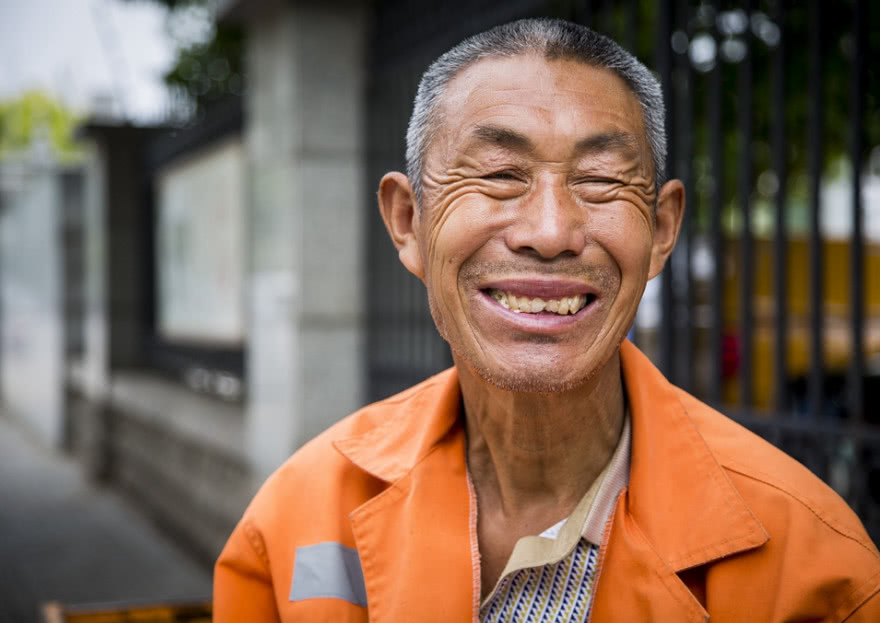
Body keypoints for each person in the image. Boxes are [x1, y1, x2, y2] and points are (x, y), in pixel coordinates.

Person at [214, 18, 880, 621]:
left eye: (600, 179)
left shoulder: (809, 560)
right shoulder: (296, 516)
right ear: (408, 221)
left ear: (661, 231)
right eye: (501, 173)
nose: (551, 231)